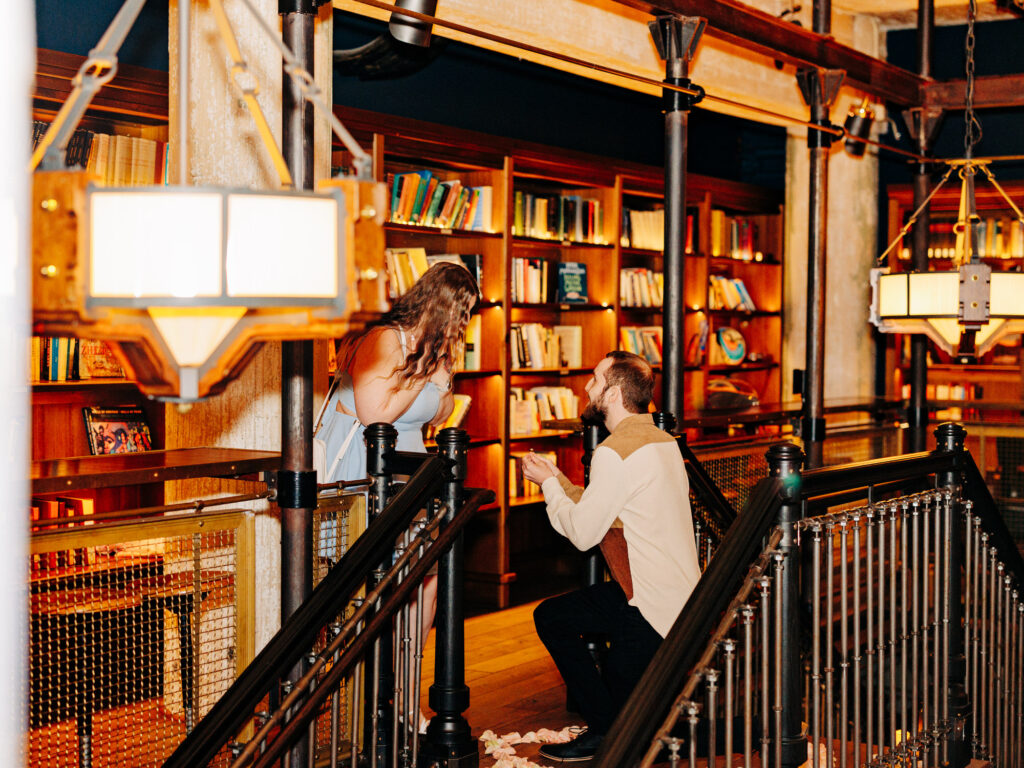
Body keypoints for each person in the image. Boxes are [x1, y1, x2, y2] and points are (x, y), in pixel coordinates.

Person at [314, 260, 480, 731]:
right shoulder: (387, 339)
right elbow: (374, 414)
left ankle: (406, 696)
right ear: (445, 306)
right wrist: (423, 374)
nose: (464, 325)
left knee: (423, 584)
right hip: (365, 471)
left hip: (410, 476)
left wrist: (442, 381)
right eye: (463, 313)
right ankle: (363, 701)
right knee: (374, 588)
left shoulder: (435, 349)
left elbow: (437, 415)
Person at [521, 351, 701, 762]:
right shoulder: (662, 441)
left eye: (596, 379)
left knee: (557, 625)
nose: (587, 386)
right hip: (678, 595)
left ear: (615, 393)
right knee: (555, 616)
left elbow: (584, 533)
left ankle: (605, 729)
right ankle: (613, 724)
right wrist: (558, 479)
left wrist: (548, 486)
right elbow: (603, 509)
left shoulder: (613, 452)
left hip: (647, 606)